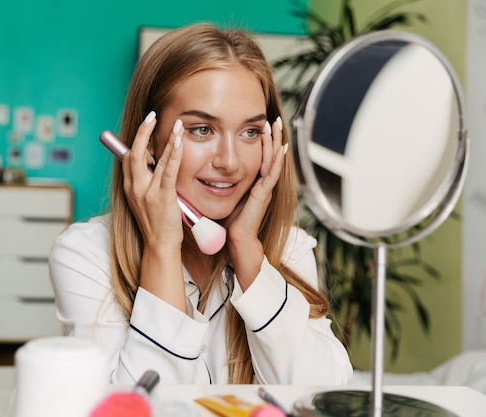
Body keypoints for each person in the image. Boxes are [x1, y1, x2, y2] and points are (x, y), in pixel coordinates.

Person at [49, 22, 353, 385]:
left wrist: (248, 252)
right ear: (149, 143)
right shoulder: (85, 254)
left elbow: (318, 396)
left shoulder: (290, 249)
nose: (229, 161)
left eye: (251, 132)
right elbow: (137, 406)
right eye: (202, 130)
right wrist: (162, 247)